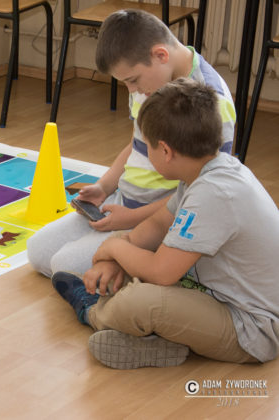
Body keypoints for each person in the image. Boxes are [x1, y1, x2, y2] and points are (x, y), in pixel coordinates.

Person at [51, 78, 279, 369]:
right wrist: (117, 255)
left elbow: (162, 273)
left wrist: (112, 247)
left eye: (147, 147)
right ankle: (160, 341)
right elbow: (158, 225)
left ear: (166, 151)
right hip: (212, 294)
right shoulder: (206, 172)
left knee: (141, 300)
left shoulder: (213, 193)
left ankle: (92, 311)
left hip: (251, 329)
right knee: (134, 270)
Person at [27, 9, 235, 278]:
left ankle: (148, 264)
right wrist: (104, 186)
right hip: (123, 203)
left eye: (132, 80)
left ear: (160, 55)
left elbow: (203, 190)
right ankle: (125, 262)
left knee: (65, 266)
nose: (132, 90)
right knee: (38, 251)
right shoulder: (147, 84)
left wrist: (133, 219)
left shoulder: (213, 103)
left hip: (164, 218)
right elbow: (136, 144)